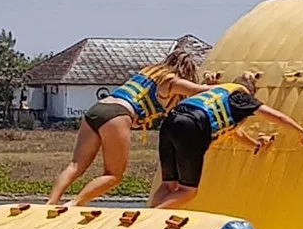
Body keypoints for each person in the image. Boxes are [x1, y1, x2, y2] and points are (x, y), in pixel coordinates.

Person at [47, 46, 215, 207]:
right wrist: (220, 84)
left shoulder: (148, 72)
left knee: (75, 165)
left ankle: (51, 202)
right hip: (118, 115)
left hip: (97, 108)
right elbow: (200, 91)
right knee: (113, 175)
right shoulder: (172, 81)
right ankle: (75, 203)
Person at [149, 73, 303, 209]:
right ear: (250, 91)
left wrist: (255, 145)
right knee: (188, 191)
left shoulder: (217, 94)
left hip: (170, 123)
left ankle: (143, 218)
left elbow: (234, 132)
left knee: (168, 185)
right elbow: (278, 117)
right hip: (192, 127)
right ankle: (152, 220)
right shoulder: (242, 98)